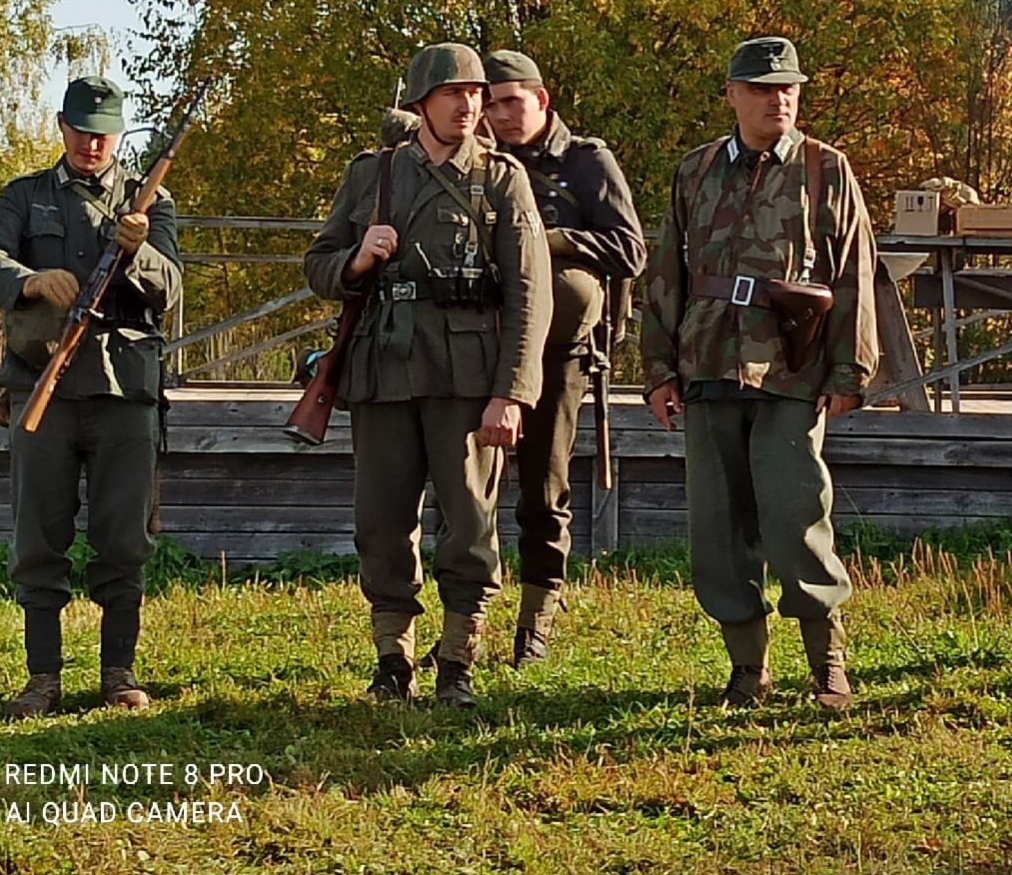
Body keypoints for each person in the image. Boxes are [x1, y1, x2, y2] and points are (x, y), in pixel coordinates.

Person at [303, 43, 550, 707]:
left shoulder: (501, 179)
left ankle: (459, 661)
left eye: (474, 93)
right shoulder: (371, 175)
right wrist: (357, 259)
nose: (468, 105)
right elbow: (319, 264)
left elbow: (530, 292)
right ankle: (393, 658)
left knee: (469, 521)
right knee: (381, 522)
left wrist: (512, 392)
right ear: (420, 104)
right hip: (384, 367)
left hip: (468, 376)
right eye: (452, 94)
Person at [640, 35, 878, 711]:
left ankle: (826, 665)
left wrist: (849, 368)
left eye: (788, 88)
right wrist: (657, 369)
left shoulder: (824, 170)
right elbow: (666, 273)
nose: (778, 98)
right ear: (733, 94)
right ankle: (746, 667)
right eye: (763, 87)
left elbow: (855, 270)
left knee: (796, 514)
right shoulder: (695, 170)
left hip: (791, 368)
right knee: (717, 527)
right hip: (707, 360)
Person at [0, 75, 182, 717]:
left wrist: (137, 253)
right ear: (62, 128)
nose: (92, 144)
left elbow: (169, 289)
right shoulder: (26, 197)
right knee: (39, 538)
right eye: (82, 131)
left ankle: (119, 673)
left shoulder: (151, 204)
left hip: (122, 391)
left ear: (118, 134)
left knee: (123, 539)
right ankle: (42, 679)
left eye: (104, 133)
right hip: (43, 387)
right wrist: (31, 282)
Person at [483, 49, 647, 666]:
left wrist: (551, 240)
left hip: (559, 352)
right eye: (491, 105)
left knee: (541, 491)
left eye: (512, 102)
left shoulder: (584, 163)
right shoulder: (482, 165)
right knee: (466, 490)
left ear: (541, 100)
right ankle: (464, 623)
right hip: (483, 341)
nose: (500, 115)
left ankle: (535, 622)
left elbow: (630, 249)